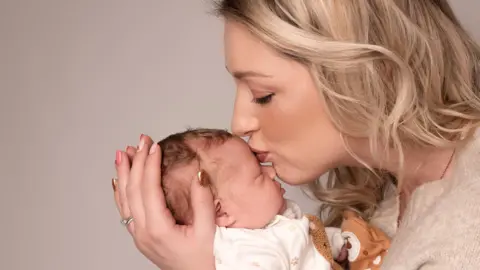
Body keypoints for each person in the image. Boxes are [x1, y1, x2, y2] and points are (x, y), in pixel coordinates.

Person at [111, 0, 480, 269]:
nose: (238, 123)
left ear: (367, 71)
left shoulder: (465, 237)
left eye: (262, 94)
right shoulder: (385, 193)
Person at [154, 127, 390, 270]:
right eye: (258, 175)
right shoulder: (247, 255)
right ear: (221, 212)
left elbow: (309, 248)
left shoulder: (269, 230)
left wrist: (340, 244)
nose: (271, 172)